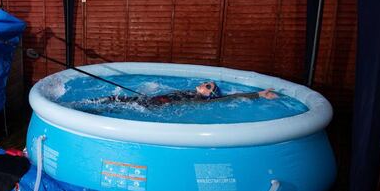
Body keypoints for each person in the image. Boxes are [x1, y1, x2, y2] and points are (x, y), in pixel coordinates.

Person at [94, 81, 278, 108]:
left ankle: (97, 110)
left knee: (120, 105)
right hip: (155, 100)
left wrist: (260, 94)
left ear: (209, 93)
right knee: (115, 99)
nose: (203, 83)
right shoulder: (192, 91)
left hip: (157, 105)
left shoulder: (202, 100)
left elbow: (233, 96)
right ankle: (93, 103)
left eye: (207, 85)